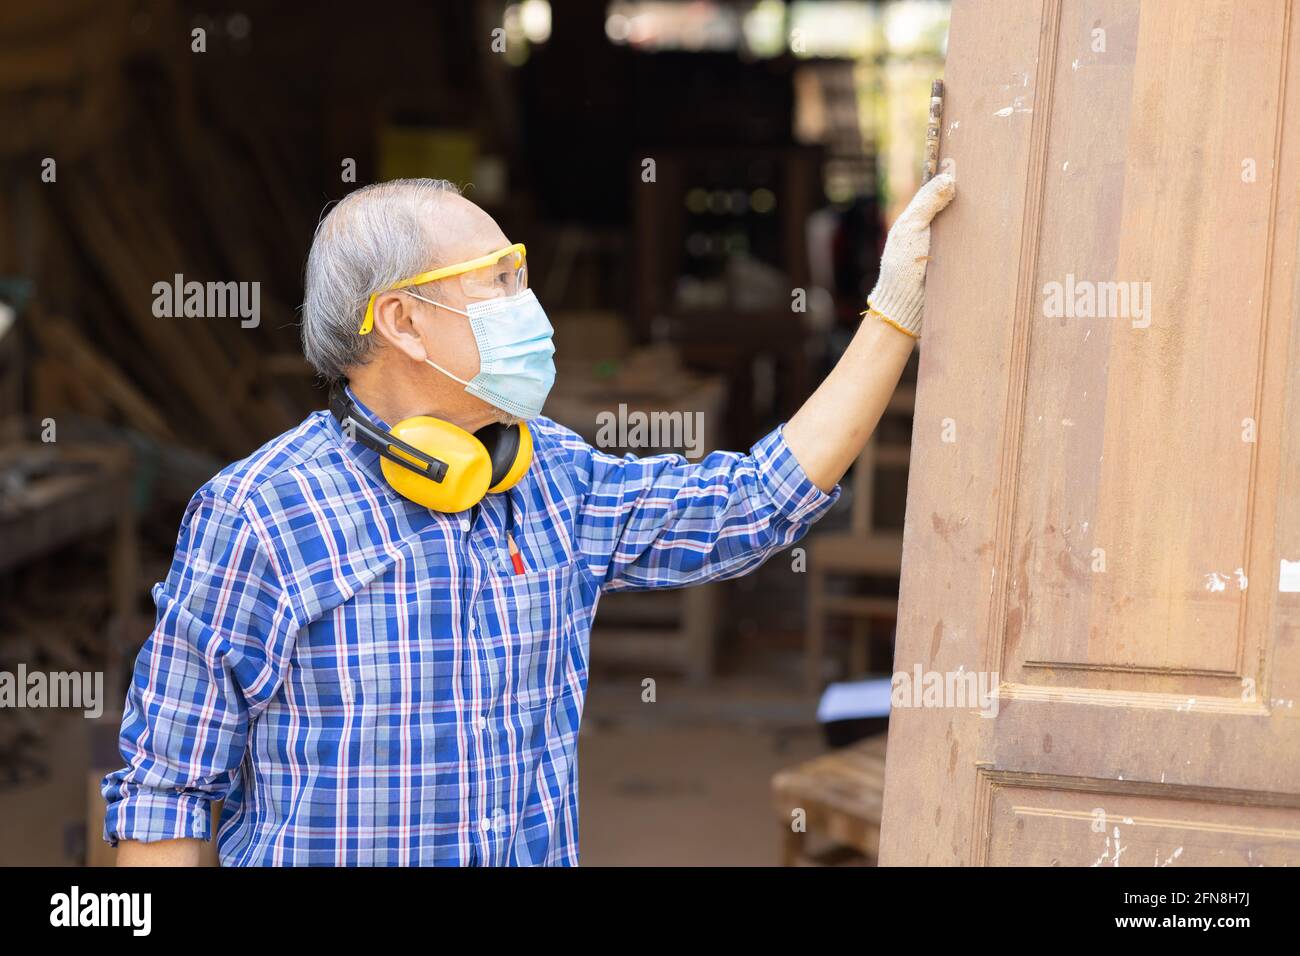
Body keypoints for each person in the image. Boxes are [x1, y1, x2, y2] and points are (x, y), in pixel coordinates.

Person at [105, 173, 956, 865]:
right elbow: (166, 793)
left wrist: (893, 312)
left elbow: (754, 503)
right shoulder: (260, 514)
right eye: (499, 279)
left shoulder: (550, 473)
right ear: (401, 321)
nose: (528, 303)